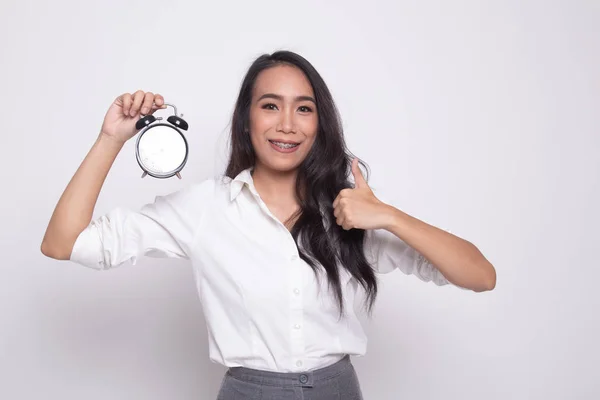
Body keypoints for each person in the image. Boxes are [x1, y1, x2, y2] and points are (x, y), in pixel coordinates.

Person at [41, 50, 496, 399]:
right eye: (270, 106)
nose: (286, 124)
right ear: (246, 121)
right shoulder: (205, 209)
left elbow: (480, 275)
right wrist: (110, 139)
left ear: (320, 124)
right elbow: (64, 243)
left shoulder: (350, 210)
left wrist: (390, 216)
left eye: (303, 108)